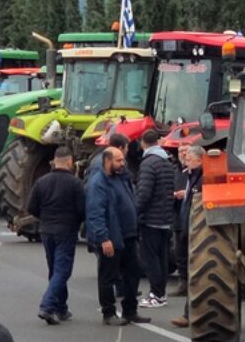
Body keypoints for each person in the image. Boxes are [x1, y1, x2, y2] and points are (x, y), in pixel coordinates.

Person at [87, 146, 149, 325]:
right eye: (119, 160)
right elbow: (95, 212)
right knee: (108, 276)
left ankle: (130, 310)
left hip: (128, 236)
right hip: (111, 238)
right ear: (107, 161)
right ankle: (109, 313)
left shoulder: (122, 177)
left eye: (123, 160)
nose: (123, 163)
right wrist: (103, 238)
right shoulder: (98, 182)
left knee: (133, 273)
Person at [27, 145, 85, 325]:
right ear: (70, 162)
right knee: (62, 270)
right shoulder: (76, 184)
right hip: (66, 231)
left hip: (46, 231)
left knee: (55, 269)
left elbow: (31, 207)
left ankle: (61, 307)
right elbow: (83, 210)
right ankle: (48, 306)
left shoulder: (42, 181)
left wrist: (44, 217)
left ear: (54, 161)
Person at [135, 129, 173, 309]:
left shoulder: (148, 164)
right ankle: (161, 293)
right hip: (165, 217)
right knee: (162, 257)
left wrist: (136, 212)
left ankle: (156, 294)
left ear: (143, 143)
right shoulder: (166, 162)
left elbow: (144, 193)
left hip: (151, 218)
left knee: (150, 258)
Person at [170, 145, 204, 328]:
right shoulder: (190, 176)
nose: (186, 160)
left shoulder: (201, 179)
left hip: (195, 231)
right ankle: (189, 313)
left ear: (200, 160)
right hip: (187, 227)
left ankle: (190, 314)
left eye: (190, 158)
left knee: (196, 274)